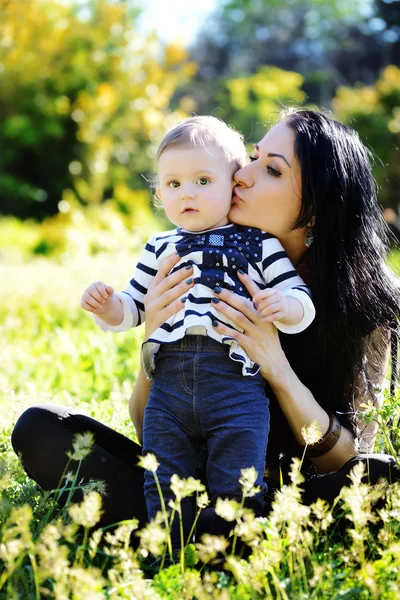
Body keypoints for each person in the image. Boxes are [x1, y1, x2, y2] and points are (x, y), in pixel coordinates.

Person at [11, 109, 400, 544]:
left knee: (381, 479)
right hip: (186, 479)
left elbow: (350, 457)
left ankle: (211, 535)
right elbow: (147, 429)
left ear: (316, 210)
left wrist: (276, 367)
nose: (242, 175)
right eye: (252, 157)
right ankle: (197, 535)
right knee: (41, 428)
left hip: (285, 495)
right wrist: (154, 339)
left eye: (271, 169)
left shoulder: (368, 306)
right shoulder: (187, 258)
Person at [80, 116, 315, 548]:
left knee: (238, 479)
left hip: (236, 387)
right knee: (163, 477)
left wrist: (286, 307)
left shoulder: (259, 244)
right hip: (167, 389)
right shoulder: (159, 248)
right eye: (173, 184)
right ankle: (171, 554)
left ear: (233, 183)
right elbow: (135, 307)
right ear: (159, 195)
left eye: (203, 180)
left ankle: (239, 550)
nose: (186, 193)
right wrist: (110, 307)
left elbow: (298, 294)